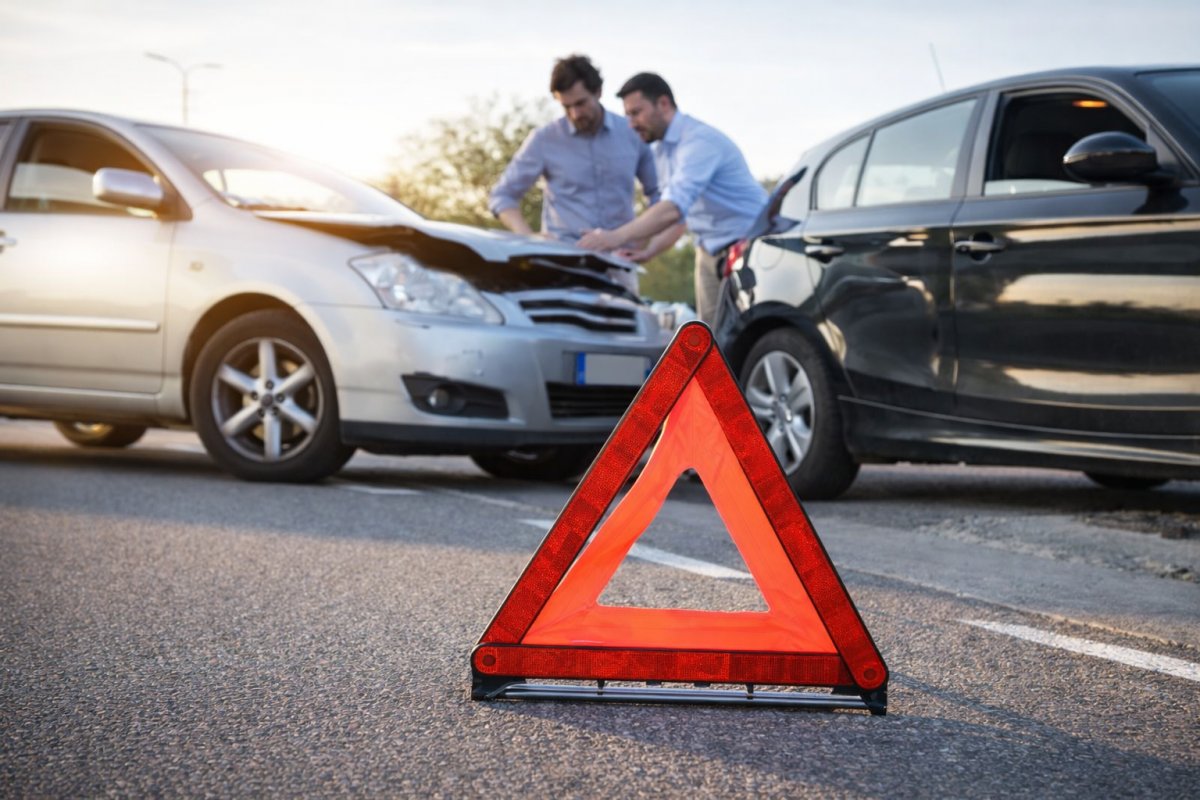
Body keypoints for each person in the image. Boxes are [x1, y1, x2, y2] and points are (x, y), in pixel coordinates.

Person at [578, 72, 767, 324]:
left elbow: (672, 209)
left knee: (753, 329)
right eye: (628, 115)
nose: (631, 123)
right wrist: (650, 251)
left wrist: (613, 237)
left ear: (663, 104)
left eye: (636, 113)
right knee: (711, 336)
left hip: (749, 244)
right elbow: (678, 218)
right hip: (708, 249)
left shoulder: (698, 142)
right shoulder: (661, 150)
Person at [489, 55, 659, 292]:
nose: (575, 114)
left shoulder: (632, 133)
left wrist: (638, 241)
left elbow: (659, 196)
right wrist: (529, 239)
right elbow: (502, 196)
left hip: (619, 266)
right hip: (560, 264)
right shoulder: (544, 139)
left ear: (598, 92)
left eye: (580, 103)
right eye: (566, 106)